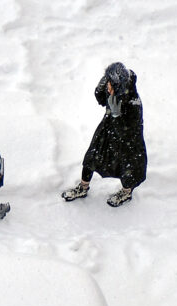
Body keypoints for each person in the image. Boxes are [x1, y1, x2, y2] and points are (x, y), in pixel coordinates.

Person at [61, 62, 147, 207]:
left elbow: (127, 132)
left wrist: (117, 114)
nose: (107, 85)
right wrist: (101, 88)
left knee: (127, 169)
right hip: (108, 129)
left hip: (128, 142)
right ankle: (83, 187)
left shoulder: (134, 104)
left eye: (110, 84)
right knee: (92, 157)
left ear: (118, 86)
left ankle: (126, 192)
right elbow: (101, 99)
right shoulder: (112, 85)